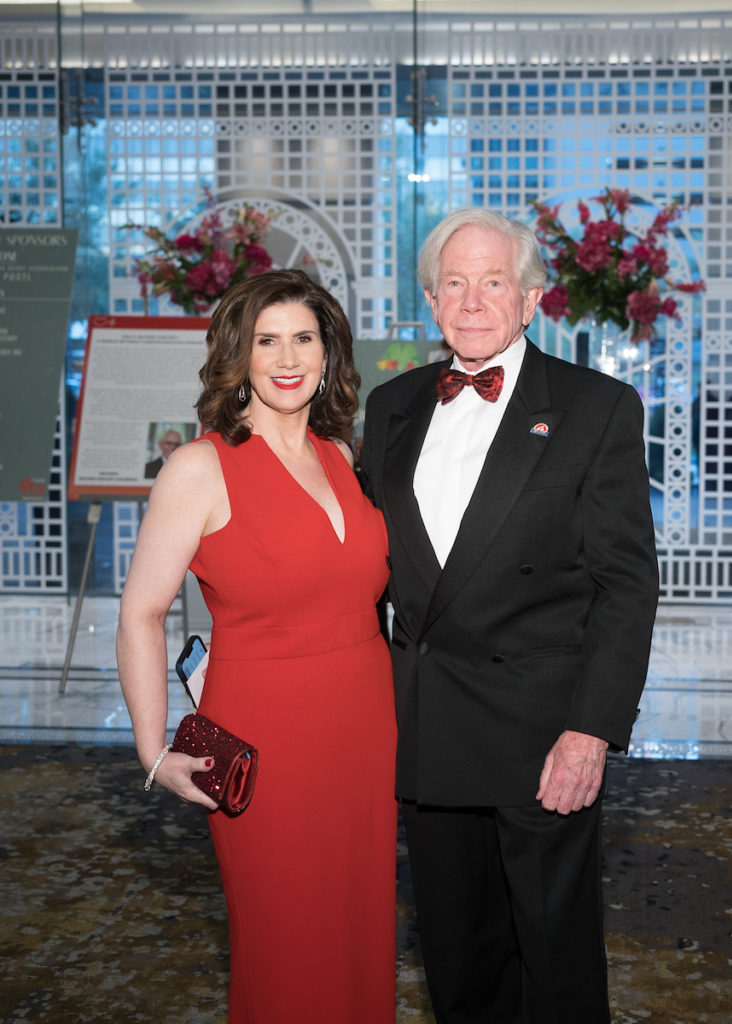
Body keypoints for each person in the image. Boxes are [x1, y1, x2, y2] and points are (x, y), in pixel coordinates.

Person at [360, 209, 659, 1024]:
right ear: (430, 299)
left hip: (542, 735)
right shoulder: (391, 406)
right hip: (427, 726)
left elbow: (627, 586)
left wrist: (591, 730)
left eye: (493, 281)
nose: (472, 300)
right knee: (458, 958)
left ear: (531, 299)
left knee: (554, 960)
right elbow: (359, 561)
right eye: (454, 283)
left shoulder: (597, 407)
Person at [117, 270, 397, 1024]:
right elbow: (141, 613)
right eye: (266, 339)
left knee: (361, 934)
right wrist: (152, 752)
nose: (287, 356)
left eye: (304, 338)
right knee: (286, 945)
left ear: (329, 352)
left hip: (366, 732)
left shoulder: (342, 453)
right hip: (266, 743)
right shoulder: (200, 466)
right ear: (236, 355)